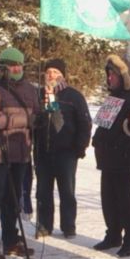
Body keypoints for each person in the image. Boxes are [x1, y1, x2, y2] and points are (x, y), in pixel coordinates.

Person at [0, 47, 39, 259]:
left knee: (13, 200)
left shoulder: (31, 89)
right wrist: (24, 120)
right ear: (3, 67)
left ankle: (11, 240)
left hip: (20, 154)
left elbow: (37, 116)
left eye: (19, 64)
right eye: (12, 65)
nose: (16, 68)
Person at [92, 54, 130, 257]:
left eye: (112, 75)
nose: (109, 79)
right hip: (107, 159)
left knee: (125, 200)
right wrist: (97, 140)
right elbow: (104, 124)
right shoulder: (113, 96)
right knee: (108, 199)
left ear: (122, 76)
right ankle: (113, 235)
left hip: (125, 158)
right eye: (107, 75)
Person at [34, 58, 92, 239]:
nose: (51, 75)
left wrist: (79, 147)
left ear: (62, 76)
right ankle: (44, 226)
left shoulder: (73, 96)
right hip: (43, 151)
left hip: (66, 152)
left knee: (67, 191)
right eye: (48, 72)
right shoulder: (38, 95)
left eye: (55, 72)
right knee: (43, 191)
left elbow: (84, 123)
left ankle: (68, 226)